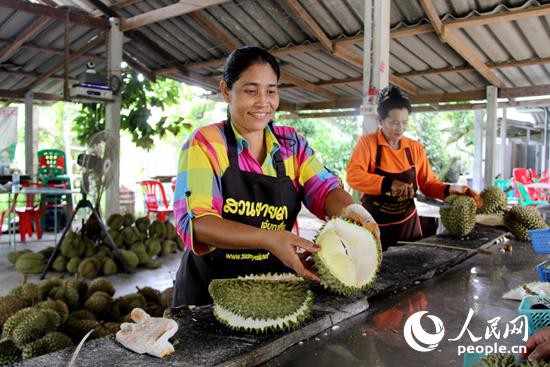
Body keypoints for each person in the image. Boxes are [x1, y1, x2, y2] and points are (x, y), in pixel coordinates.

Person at [172, 46, 378, 306]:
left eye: (271, 91)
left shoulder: (291, 144)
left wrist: (355, 214)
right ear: (226, 91)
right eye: (250, 90)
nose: (263, 102)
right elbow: (198, 223)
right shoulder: (206, 143)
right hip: (209, 293)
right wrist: (269, 238)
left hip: (274, 290)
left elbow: (325, 190)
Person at [346, 86, 481, 251]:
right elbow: (354, 176)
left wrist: (453, 189)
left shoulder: (415, 148)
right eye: (394, 123)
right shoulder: (368, 144)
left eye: (404, 123)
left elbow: (429, 184)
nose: (400, 128)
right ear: (381, 121)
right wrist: (389, 184)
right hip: (373, 227)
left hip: (407, 227)